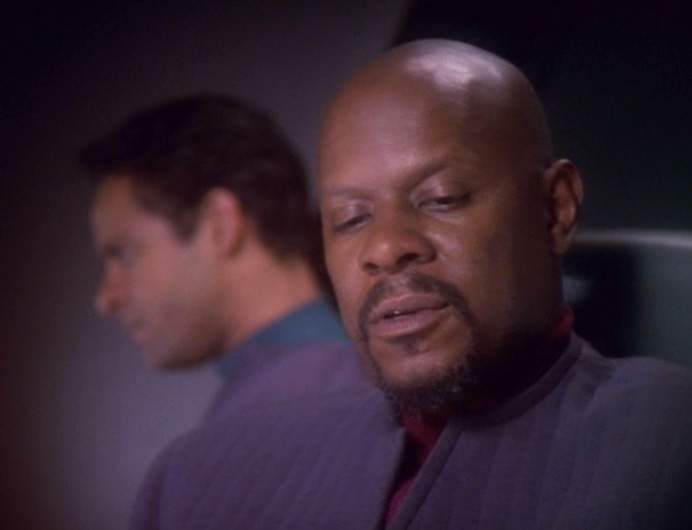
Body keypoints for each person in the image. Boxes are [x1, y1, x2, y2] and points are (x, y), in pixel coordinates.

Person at [128, 42, 692, 529]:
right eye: (350, 218)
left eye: (441, 198)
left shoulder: (670, 445)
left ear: (555, 208)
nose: (384, 247)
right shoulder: (195, 480)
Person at [82, 94, 366, 421]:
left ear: (220, 224)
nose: (105, 299)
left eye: (125, 254)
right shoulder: (351, 383)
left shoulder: (295, 412)